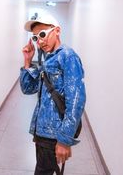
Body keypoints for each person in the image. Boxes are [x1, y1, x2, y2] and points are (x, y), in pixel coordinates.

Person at [20, 14, 86, 175]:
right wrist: (28, 61)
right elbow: (28, 88)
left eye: (42, 34)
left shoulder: (68, 56)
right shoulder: (48, 59)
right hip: (41, 131)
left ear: (57, 31)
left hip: (54, 133)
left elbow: (76, 101)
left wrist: (64, 140)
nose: (40, 41)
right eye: (35, 37)